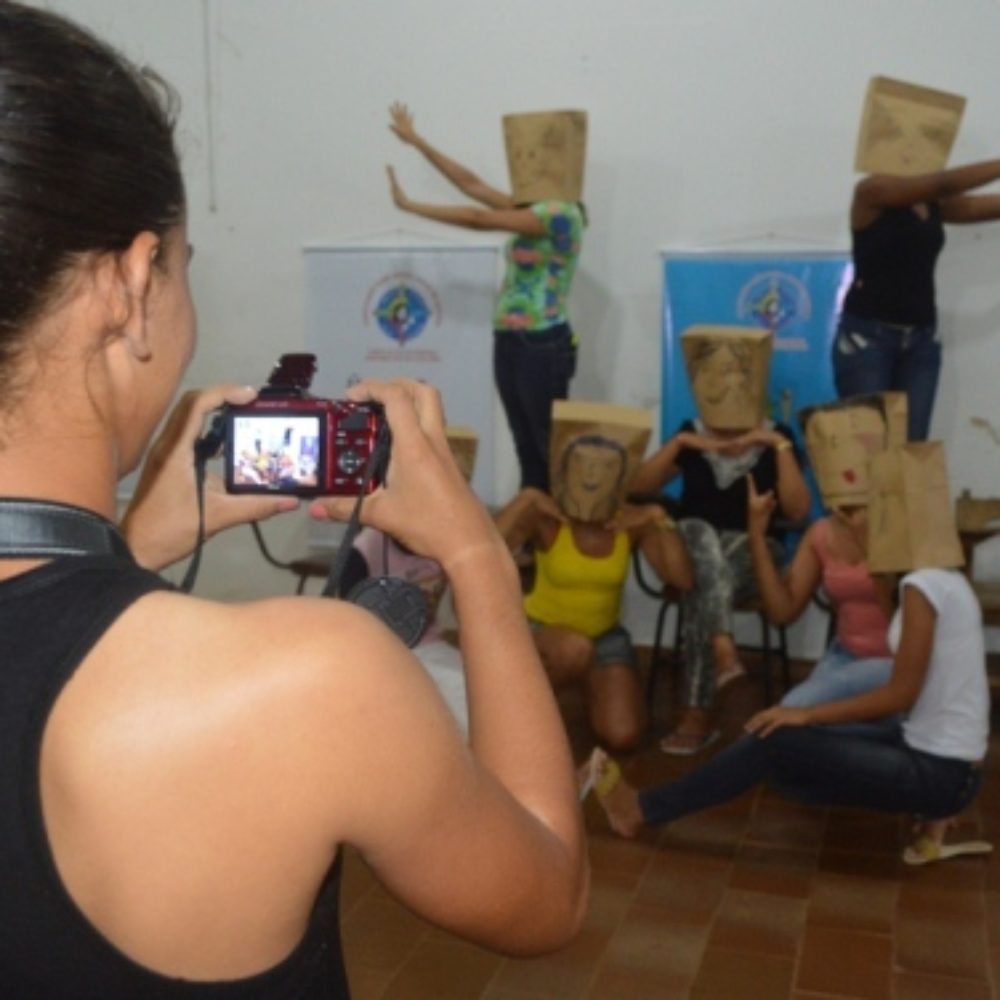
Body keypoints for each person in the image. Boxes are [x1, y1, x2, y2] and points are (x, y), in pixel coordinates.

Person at [0, 6, 586, 995]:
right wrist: (479, 556)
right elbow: (547, 892)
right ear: (134, 288)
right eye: (185, 269)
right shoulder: (310, 684)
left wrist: (125, 547)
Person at [588, 478, 990, 865]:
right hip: (941, 762)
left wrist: (806, 714)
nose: (848, 521)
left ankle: (640, 809)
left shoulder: (925, 586)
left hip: (939, 774)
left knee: (777, 740)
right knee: (786, 759)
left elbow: (901, 694)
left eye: (860, 513)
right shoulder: (934, 579)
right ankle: (930, 812)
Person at [386, 102, 586, 492]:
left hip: (542, 341)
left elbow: (478, 218)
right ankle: (531, 537)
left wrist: (411, 206)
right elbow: (473, 186)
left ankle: (550, 535)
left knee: (546, 447)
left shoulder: (562, 213)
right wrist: (418, 143)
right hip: (512, 337)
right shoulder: (536, 207)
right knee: (525, 445)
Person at [628, 360, 811, 755]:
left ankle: (696, 715)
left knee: (703, 581)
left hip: (756, 548)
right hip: (690, 549)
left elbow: (798, 511)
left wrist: (775, 444)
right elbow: (636, 489)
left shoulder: (776, 434)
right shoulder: (690, 433)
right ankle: (724, 652)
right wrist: (680, 445)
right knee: (697, 531)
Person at [497, 432, 693, 752]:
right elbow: (481, 548)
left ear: (620, 476)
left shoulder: (627, 525)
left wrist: (660, 520)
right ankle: (517, 714)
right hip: (542, 632)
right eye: (583, 466)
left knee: (623, 735)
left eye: (603, 468)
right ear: (566, 472)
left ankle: (590, 684)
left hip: (605, 638)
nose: (591, 477)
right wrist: (526, 500)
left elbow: (683, 580)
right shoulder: (549, 520)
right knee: (575, 649)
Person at [834, 157, 1000, 441]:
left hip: (921, 341)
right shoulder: (873, 190)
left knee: (912, 450)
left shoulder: (931, 202)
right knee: (870, 449)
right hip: (869, 341)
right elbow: (945, 182)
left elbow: (977, 206)